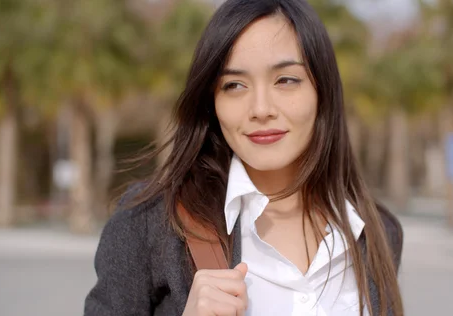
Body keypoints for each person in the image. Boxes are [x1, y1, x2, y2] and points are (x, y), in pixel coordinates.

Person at [84, 0, 403, 315]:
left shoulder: (378, 232)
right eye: (234, 85)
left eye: (286, 80)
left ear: (322, 91)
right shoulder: (149, 221)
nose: (261, 109)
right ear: (212, 101)